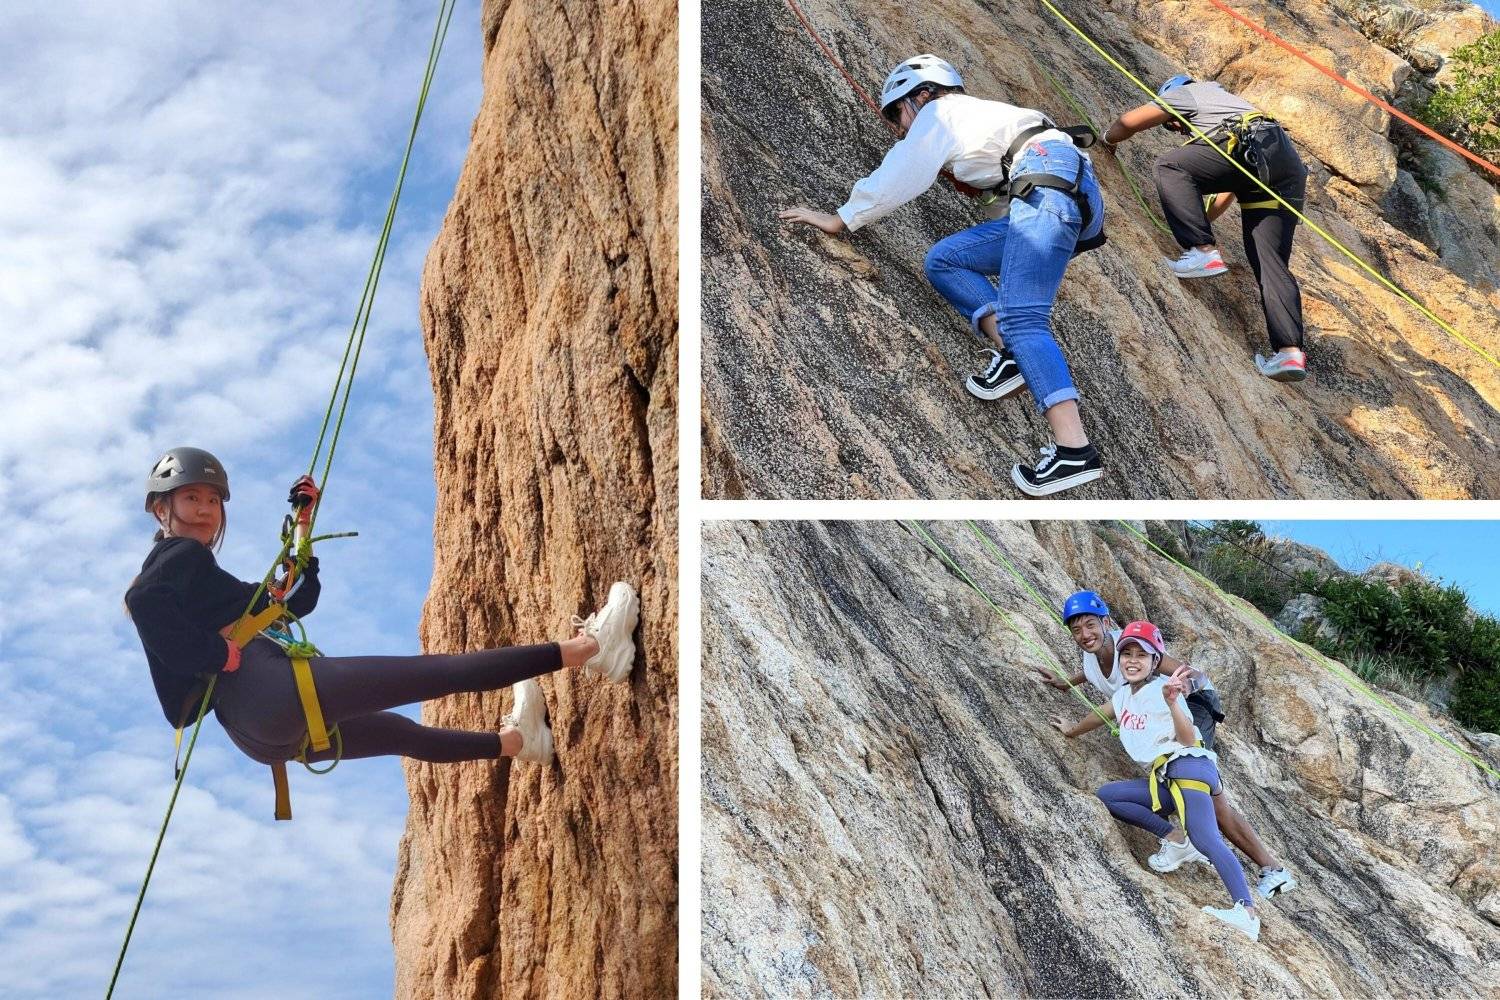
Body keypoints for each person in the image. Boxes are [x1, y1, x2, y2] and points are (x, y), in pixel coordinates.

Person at [124, 446, 639, 773]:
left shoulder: (202, 585)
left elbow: (291, 599)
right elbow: (141, 601)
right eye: (190, 498)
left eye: (212, 501)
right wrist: (218, 656)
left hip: (261, 735)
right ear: (161, 508)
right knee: (432, 674)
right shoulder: (177, 555)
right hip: (265, 692)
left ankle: (517, 743)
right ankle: (593, 648)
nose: (204, 510)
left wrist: (303, 528)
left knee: (399, 733)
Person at [778, 54, 1106, 496]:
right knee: (945, 260)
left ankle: (1074, 450)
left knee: (1025, 319)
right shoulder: (987, 120)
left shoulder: (939, 112)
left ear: (922, 94)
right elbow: (1005, 209)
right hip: (1062, 191)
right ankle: (1011, 353)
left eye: (897, 114)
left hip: (1047, 190)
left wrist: (841, 218)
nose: (898, 128)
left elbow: (901, 173)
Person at [1042, 591, 1297, 900]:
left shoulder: (1133, 645)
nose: (1085, 635)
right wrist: (1067, 682)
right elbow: (1097, 673)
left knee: (1207, 795)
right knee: (1202, 798)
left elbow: (1187, 672)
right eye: (1077, 629)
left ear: (1106, 622)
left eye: (1090, 626)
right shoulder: (1093, 653)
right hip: (1168, 710)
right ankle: (1205, 845)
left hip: (1193, 704)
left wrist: (1175, 697)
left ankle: (1269, 871)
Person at [1103, 73, 1310, 383]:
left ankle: (1201, 252)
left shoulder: (1191, 93)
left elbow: (1130, 121)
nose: (1181, 130)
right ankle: (1289, 353)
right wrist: (1195, 221)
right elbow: (1226, 194)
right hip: (1283, 166)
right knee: (1271, 263)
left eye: (1174, 124)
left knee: (1170, 166)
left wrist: (1105, 141)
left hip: (1245, 144)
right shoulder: (1229, 106)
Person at [1075, 621, 1262, 940]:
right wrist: (1071, 729)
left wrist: (1174, 702)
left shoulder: (1162, 691)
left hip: (1188, 767)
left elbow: (1189, 739)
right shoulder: (1123, 696)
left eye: (1142, 655)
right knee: (1108, 796)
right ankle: (1175, 837)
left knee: (1207, 839)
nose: (1132, 660)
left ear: (1154, 662)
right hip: (1168, 777)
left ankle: (1246, 912)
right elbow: (1100, 715)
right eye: (1126, 654)